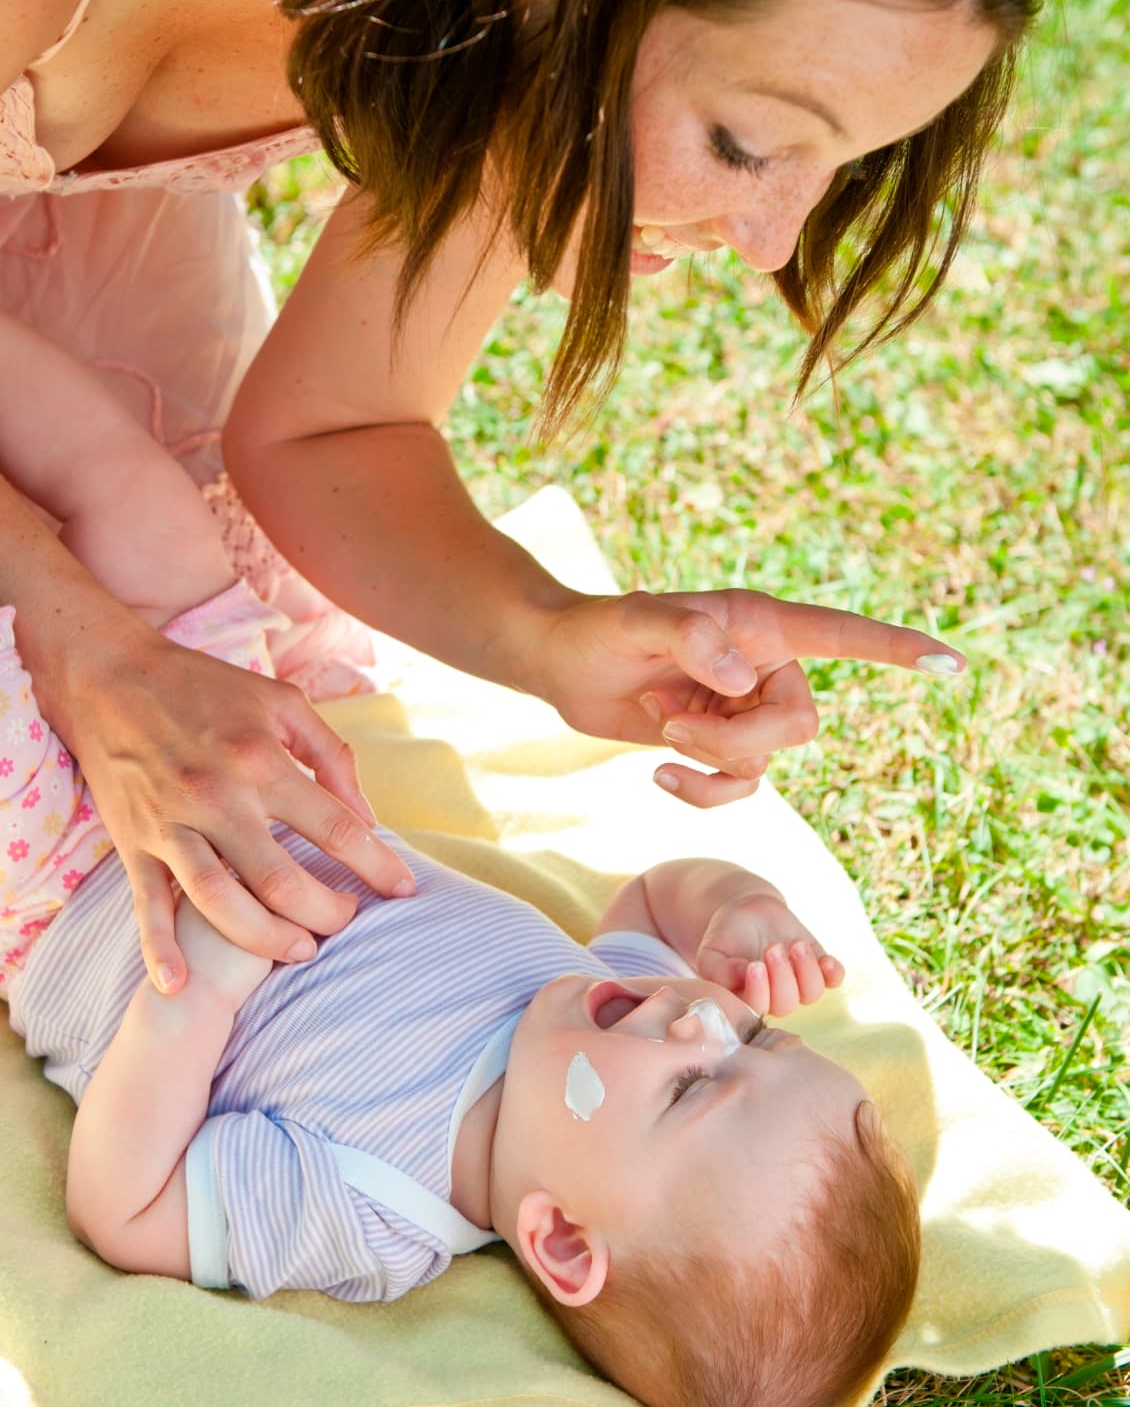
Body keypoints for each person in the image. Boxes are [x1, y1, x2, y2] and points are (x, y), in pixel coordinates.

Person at [1, 0, 1039, 993]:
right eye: (743, 142)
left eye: (843, 162)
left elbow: (340, 428)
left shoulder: (484, 2)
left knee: (190, 629)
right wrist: (88, 645)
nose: (773, 243)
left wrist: (550, 635)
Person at [1, 326, 920, 1407]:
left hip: (70, 875)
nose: (702, 1020)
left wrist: (188, 1002)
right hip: (226, 723)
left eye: (690, 1088)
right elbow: (655, 901)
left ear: (563, 1241)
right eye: (755, 1033)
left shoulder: (371, 1204)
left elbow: (127, 1208)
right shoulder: (576, 1001)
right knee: (143, 504)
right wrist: (738, 903)